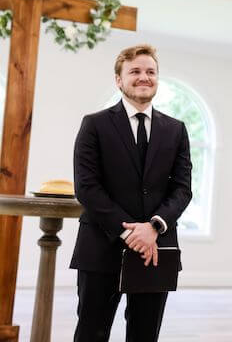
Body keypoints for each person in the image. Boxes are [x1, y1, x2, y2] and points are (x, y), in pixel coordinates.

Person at [70, 44, 192, 342]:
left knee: (145, 334)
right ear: (119, 80)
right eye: (135, 71)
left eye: (150, 71)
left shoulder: (176, 129)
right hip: (101, 246)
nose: (144, 77)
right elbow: (87, 187)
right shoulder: (94, 124)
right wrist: (128, 232)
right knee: (91, 332)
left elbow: (182, 188)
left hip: (156, 248)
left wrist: (153, 227)